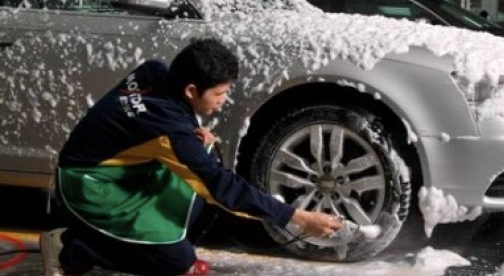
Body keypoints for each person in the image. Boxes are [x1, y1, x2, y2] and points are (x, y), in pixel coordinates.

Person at [40, 38, 343, 276]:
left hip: (127, 170)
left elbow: (151, 120)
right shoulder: (170, 131)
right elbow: (222, 189)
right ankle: (70, 247)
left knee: (204, 156)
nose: (224, 101)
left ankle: (159, 240)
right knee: (176, 261)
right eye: (219, 94)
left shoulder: (154, 71)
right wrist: (298, 218)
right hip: (89, 184)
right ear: (190, 90)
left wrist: (189, 131)